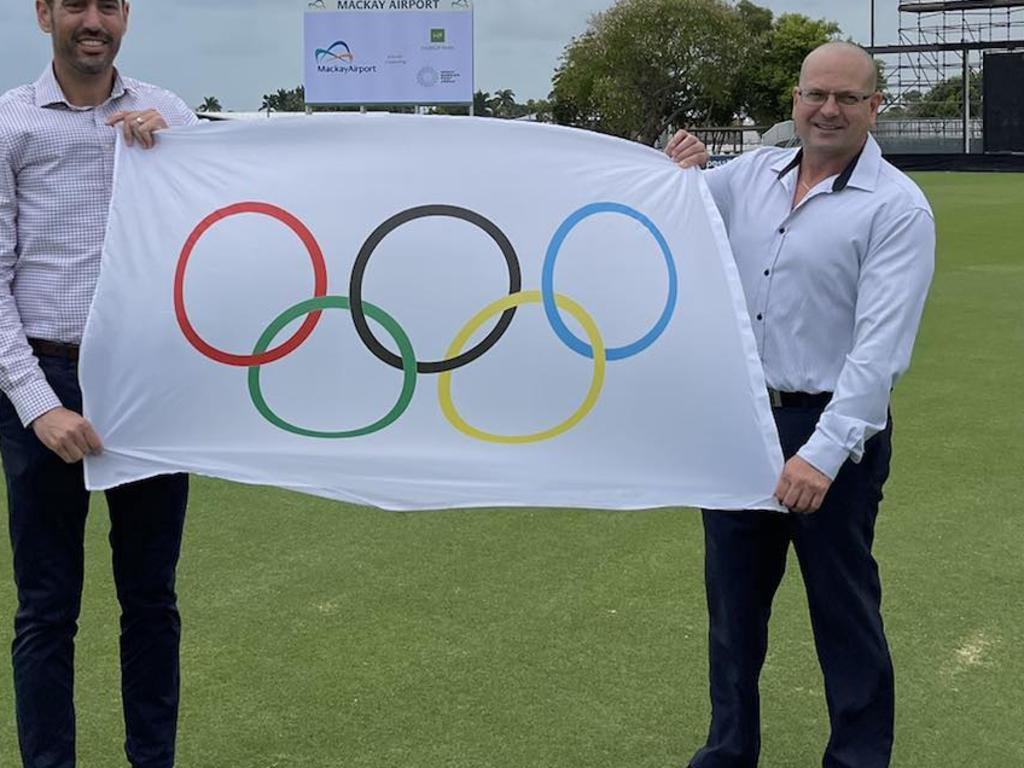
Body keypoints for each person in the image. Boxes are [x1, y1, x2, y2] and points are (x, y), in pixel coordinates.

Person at [666, 42, 935, 768]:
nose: (829, 110)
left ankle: (856, 758)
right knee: (733, 614)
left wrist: (821, 454)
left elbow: (878, 352)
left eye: (848, 98)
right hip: (741, 423)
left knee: (843, 611)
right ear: (795, 99)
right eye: (817, 94)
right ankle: (727, 752)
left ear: (875, 107)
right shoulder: (748, 174)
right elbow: (671, 211)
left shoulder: (897, 209)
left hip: (831, 432)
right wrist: (675, 166)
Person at [0, 1, 198, 766]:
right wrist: (39, 406)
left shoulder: (170, 115)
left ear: (126, 17)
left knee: (152, 602)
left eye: (109, 6)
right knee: (47, 611)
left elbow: (227, 226)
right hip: (44, 376)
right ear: (44, 12)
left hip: (147, 381)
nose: (94, 20)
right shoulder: (13, 125)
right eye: (75, 4)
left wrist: (174, 155)